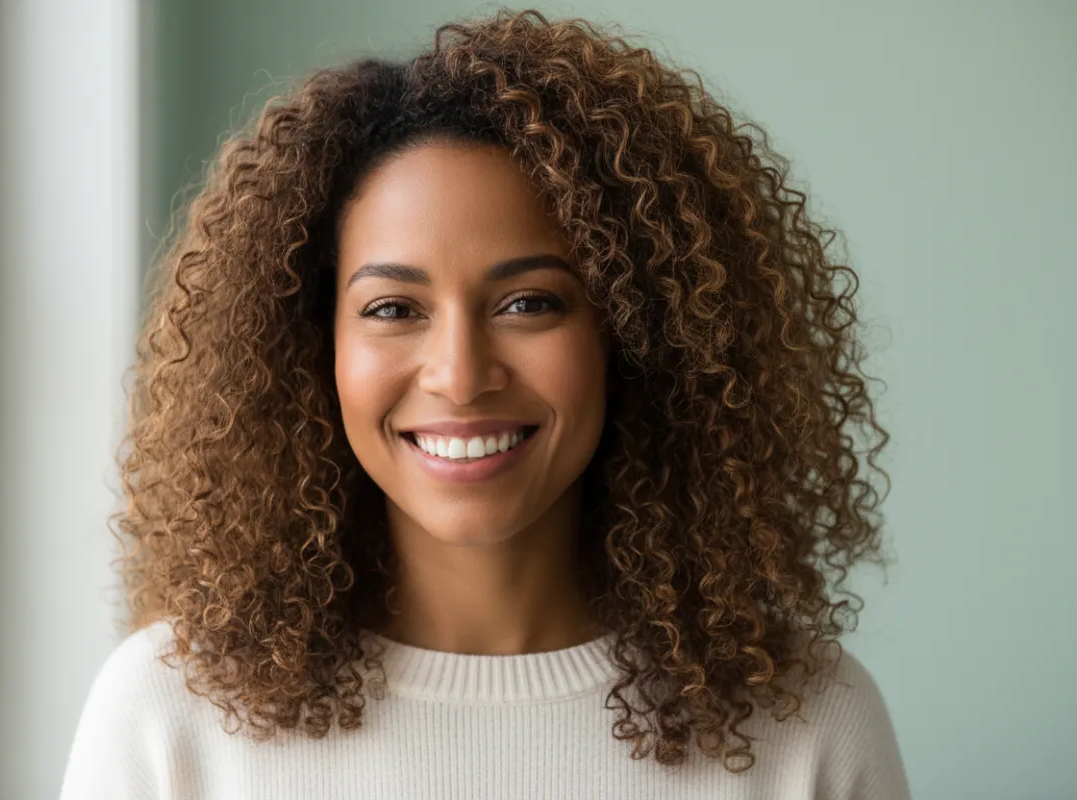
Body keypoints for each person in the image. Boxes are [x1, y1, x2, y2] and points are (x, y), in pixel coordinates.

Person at [60, 8, 911, 799]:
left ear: (637, 333)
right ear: (311, 347)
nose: (460, 377)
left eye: (529, 303)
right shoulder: (170, 716)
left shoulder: (807, 725)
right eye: (394, 310)